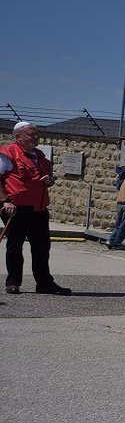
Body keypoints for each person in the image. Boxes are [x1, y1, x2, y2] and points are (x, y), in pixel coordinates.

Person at [0, 121, 71, 295]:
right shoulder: (7, 153)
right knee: (15, 246)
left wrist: (50, 181)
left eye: (35, 134)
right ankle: (13, 282)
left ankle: (44, 283)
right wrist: (5, 201)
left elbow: (49, 178)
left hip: (38, 208)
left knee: (42, 246)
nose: (35, 137)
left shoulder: (39, 156)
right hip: (16, 207)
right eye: (30, 134)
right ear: (18, 137)